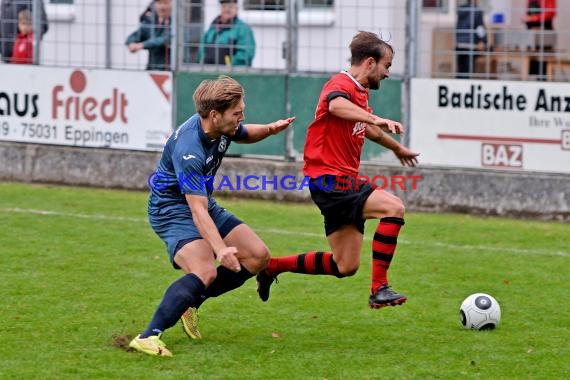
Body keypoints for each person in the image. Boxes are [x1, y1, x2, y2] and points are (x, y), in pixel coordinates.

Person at [129, 75, 295, 357]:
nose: (242, 117)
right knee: (205, 270)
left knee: (258, 255)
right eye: (237, 113)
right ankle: (148, 336)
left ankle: (192, 301)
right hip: (171, 210)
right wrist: (220, 249)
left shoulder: (222, 126)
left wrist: (270, 129)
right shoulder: (190, 150)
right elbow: (196, 210)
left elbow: (244, 133)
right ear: (215, 115)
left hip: (202, 203)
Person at [256, 31, 419, 310]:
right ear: (370, 62)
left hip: (334, 183)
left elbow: (368, 130)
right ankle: (379, 287)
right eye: (387, 66)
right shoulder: (340, 84)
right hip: (331, 179)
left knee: (345, 265)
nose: (388, 73)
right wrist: (375, 117)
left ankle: (272, 267)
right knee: (394, 208)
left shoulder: (360, 92)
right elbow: (336, 105)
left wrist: (397, 148)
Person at [197, 0, 255, 67]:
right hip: (209, 72)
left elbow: (246, 54)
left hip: (231, 74)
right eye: (224, 6)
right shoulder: (212, 28)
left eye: (230, 7)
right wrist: (202, 63)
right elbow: (201, 50)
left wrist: (228, 66)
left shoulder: (243, 29)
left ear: (236, 9)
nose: (227, 9)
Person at [125, 0, 172, 71]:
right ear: (154, 4)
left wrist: (142, 45)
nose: (162, 6)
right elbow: (137, 34)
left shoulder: (176, 23)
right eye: (159, 3)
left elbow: (165, 39)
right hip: (152, 67)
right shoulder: (151, 21)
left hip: (170, 68)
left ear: (172, 4)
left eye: (166, 3)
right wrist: (131, 43)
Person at [523, 0, 557, 80]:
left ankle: (543, 81)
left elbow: (550, 13)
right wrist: (526, 18)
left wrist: (534, 18)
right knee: (532, 60)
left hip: (545, 32)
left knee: (543, 62)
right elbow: (528, 13)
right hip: (531, 33)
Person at [455, 0, 487, 79]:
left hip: (460, 44)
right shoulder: (477, 11)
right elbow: (480, 28)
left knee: (460, 69)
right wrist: (482, 40)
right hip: (471, 45)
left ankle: (458, 87)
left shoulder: (461, 9)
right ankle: (464, 88)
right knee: (468, 71)